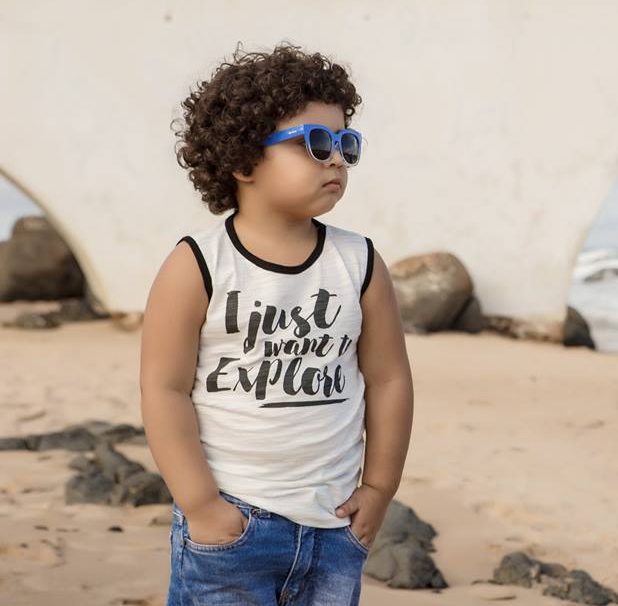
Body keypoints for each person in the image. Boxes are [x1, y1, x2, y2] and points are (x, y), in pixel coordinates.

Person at [139, 41, 414, 605]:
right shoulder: (197, 264)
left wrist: (380, 487)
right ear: (243, 161)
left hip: (335, 525)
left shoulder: (359, 263)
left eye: (345, 143)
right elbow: (164, 389)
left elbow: (389, 379)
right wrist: (201, 505)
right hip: (232, 525)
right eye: (314, 143)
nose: (336, 159)